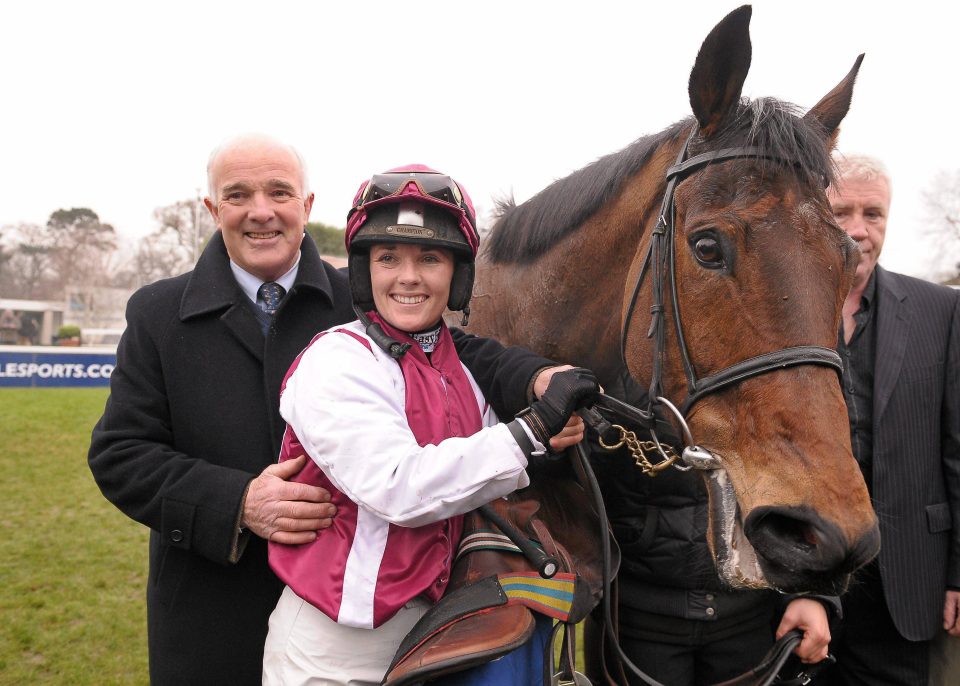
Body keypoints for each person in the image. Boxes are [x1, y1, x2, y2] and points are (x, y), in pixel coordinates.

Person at [87, 136, 567, 686]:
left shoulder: (369, 293)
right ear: (213, 209)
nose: (261, 211)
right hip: (214, 597)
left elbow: (464, 352)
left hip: (366, 603)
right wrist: (238, 503)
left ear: (306, 206)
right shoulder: (158, 312)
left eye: (278, 192)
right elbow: (121, 455)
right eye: (238, 195)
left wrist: (535, 376)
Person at [262, 165, 600, 685]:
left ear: (457, 275)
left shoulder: (459, 367)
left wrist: (548, 442)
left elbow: (483, 472)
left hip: (440, 633)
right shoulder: (334, 360)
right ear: (364, 272)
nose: (409, 276)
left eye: (431, 258)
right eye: (388, 258)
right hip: (334, 649)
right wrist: (529, 432)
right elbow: (399, 487)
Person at [585, 373, 835, 686]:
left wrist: (811, 593)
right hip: (638, 627)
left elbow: (809, 465)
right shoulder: (618, 341)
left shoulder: (768, 341)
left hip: (750, 624)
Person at [817, 153, 960, 685]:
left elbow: (956, 448)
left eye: (873, 214)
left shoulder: (940, 311)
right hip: (800, 576)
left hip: (906, 578)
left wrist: (958, 576)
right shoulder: (776, 314)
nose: (859, 230)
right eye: (842, 213)